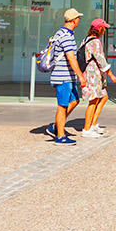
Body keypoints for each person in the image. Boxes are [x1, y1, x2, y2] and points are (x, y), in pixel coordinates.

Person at [42, 8, 84, 145]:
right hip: (63, 77)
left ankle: (56, 127)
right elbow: (71, 58)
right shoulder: (65, 36)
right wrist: (81, 76)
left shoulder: (63, 33)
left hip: (67, 76)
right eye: (78, 18)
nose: (79, 20)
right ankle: (60, 136)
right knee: (62, 106)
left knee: (74, 100)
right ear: (74, 20)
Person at [79, 18, 116, 137]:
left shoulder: (86, 39)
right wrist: (111, 75)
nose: (105, 31)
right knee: (93, 100)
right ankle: (87, 129)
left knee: (103, 96)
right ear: (100, 29)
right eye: (104, 28)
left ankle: (93, 124)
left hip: (91, 73)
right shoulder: (95, 42)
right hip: (92, 74)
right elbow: (101, 60)